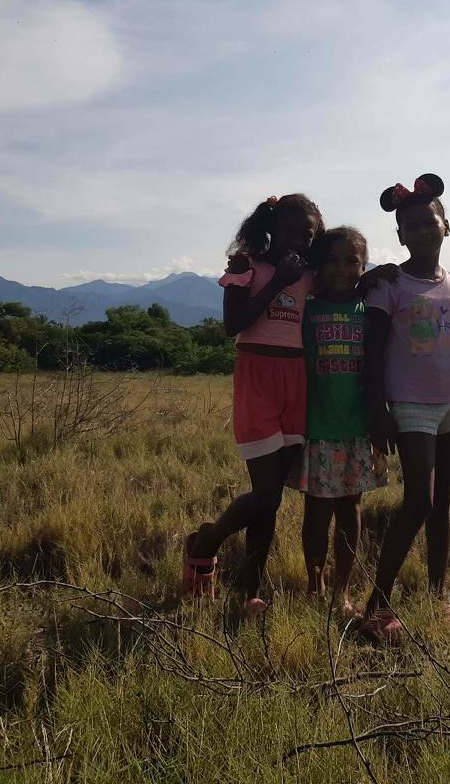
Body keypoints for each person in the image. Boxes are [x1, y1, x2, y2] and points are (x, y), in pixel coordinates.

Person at [183, 194, 323, 617]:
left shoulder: (310, 274)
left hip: (296, 381)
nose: (300, 240)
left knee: (273, 498)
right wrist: (278, 281)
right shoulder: (248, 266)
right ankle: (205, 540)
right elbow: (233, 325)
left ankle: (250, 592)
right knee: (266, 497)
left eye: (308, 235)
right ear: (273, 229)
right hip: (257, 378)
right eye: (293, 232)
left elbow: (346, 278)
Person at [359, 173, 450, 644]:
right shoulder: (389, 285)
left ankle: (438, 598)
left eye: (429, 222)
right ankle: (377, 606)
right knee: (418, 502)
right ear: (400, 235)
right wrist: (377, 410)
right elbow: (371, 352)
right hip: (410, 406)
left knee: (442, 499)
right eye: (410, 226)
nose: (422, 231)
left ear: (446, 225)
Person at [285, 227, 388, 617]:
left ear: (364, 266)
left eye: (352, 261)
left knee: (351, 511)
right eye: (332, 260)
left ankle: (340, 591)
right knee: (316, 514)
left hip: (358, 430)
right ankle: (316, 584)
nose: (341, 269)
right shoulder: (307, 311)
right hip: (317, 430)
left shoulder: (370, 312)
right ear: (318, 265)